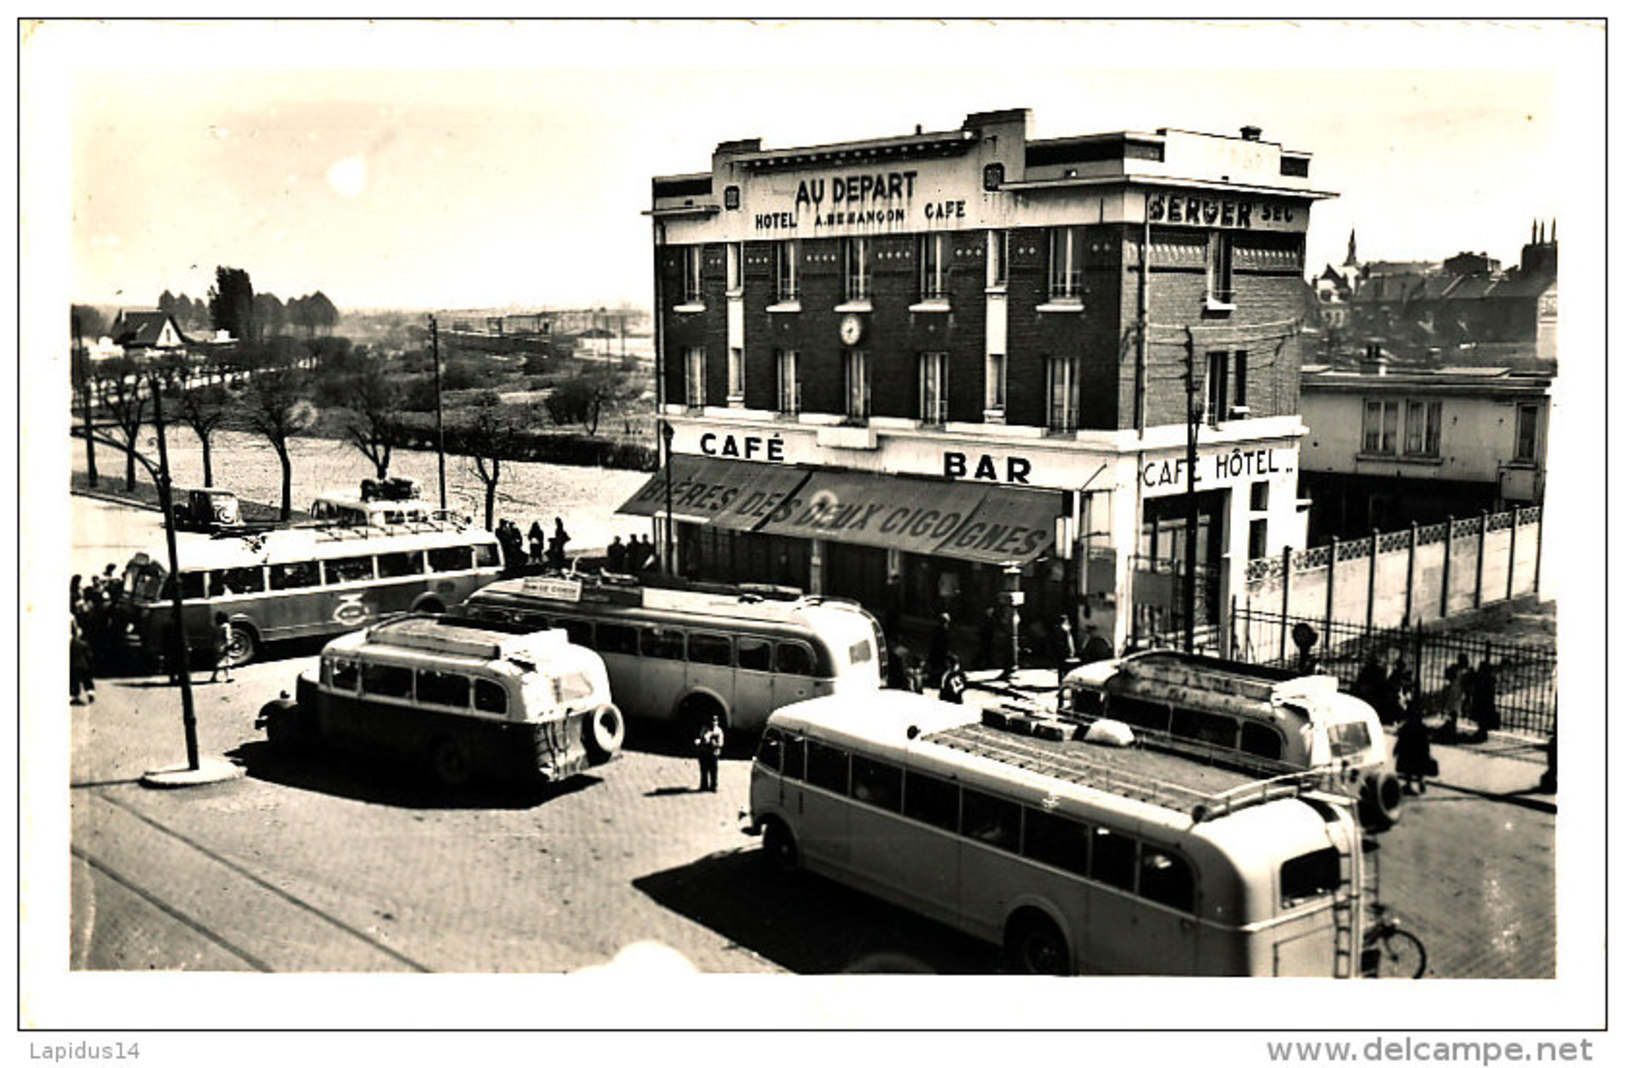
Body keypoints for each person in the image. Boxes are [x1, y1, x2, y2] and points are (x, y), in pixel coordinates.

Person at [1394, 705, 1433, 795]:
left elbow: (1401, 740)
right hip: (1419, 752)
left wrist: (1396, 750)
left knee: (1409, 770)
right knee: (1419, 769)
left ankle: (1408, 785)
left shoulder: (1406, 727)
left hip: (1408, 752)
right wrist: (1427, 752)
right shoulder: (1422, 727)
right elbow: (1426, 742)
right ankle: (1421, 781)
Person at [1440, 653, 1471, 740]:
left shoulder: (1464, 671)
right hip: (1455, 690)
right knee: (1453, 708)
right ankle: (1451, 725)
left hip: (1458, 691)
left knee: (1455, 708)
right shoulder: (1458, 669)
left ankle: (1452, 725)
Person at [1470, 656, 1499, 741]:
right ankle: (1482, 732)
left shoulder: (1483, 680)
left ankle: (1482, 732)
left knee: (1481, 718)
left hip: (1482, 703)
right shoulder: (1489, 680)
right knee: (1482, 718)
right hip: (1486, 703)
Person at [694, 714, 725, 793]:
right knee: (704, 769)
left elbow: (721, 743)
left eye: (715, 721)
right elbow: (701, 738)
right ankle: (704, 785)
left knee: (713, 770)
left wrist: (715, 744)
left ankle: (713, 786)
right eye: (711, 721)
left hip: (713, 753)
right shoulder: (705, 729)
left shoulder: (718, 731)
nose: (713, 723)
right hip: (704, 752)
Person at [69, 618, 95, 706]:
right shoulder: (84, 644)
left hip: (74, 665)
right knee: (87, 680)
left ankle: (75, 695)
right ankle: (90, 693)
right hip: (84, 665)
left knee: (74, 681)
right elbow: (89, 656)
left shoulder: (71, 644)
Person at [926, 612, 951, 689]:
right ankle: (936, 681)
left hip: (936, 652)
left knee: (936, 667)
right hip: (940, 652)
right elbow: (945, 643)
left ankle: (934, 680)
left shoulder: (936, 630)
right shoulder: (944, 630)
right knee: (940, 667)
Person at [209, 612, 235, 683]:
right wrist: (229, 644)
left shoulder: (215, 626)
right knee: (225, 661)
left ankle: (214, 677)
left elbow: (212, 637)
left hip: (216, 645)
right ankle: (229, 677)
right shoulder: (226, 626)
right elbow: (227, 636)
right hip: (223, 645)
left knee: (219, 661)